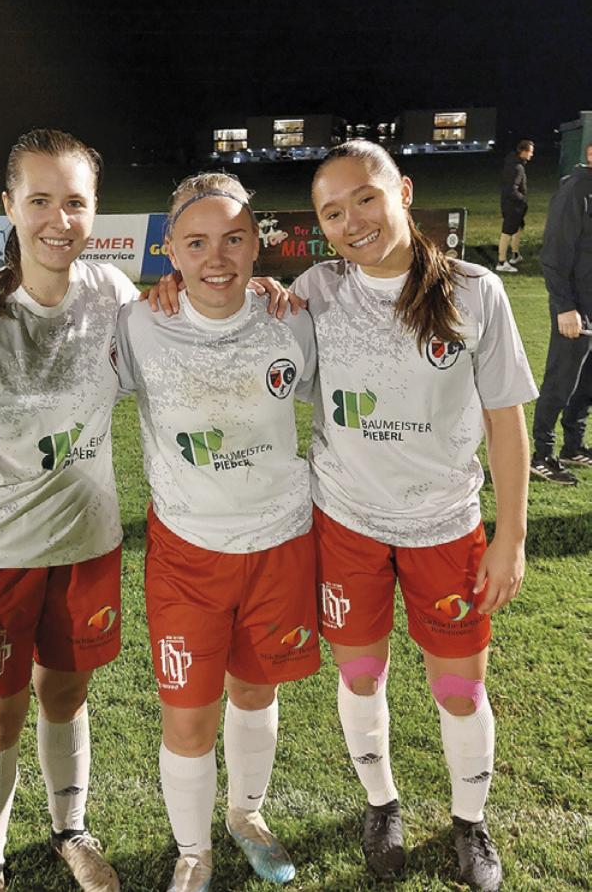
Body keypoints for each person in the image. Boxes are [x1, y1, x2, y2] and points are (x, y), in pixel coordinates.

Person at [291, 140, 537, 891]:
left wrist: (511, 536)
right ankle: (381, 803)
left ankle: (470, 821)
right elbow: (243, 347)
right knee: (362, 674)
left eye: (364, 197)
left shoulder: (475, 290)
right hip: (346, 523)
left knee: (460, 688)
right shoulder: (313, 292)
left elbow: (505, 421)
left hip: (445, 526)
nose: (352, 220)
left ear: (402, 190)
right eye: (332, 212)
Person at [0, 128, 137, 892]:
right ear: (10, 206)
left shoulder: (113, 296)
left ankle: (71, 830)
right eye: (39, 200)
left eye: (74, 202)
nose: (58, 220)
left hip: (89, 545)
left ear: (94, 210)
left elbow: (186, 328)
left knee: (66, 695)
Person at [114, 172, 320, 892]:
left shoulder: (290, 318)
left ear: (256, 241)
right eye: (197, 243)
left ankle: (246, 816)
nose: (218, 258)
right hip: (187, 554)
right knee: (188, 714)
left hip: (280, 542)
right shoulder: (139, 323)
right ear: (171, 249)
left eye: (234, 239)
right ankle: (192, 851)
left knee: (257, 693)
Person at [530, 153, 592, 484]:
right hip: (574, 309)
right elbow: (554, 253)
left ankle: (573, 446)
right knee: (561, 383)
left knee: (586, 385)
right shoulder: (575, 191)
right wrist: (565, 306)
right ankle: (542, 454)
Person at [496, 139, 534, 273]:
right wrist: (522, 199)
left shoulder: (515, 163)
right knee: (507, 231)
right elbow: (511, 189)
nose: (531, 155)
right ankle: (501, 262)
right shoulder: (516, 167)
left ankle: (515, 255)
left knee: (518, 227)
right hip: (512, 205)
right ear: (523, 152)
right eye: (530, 152)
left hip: (514, 204)